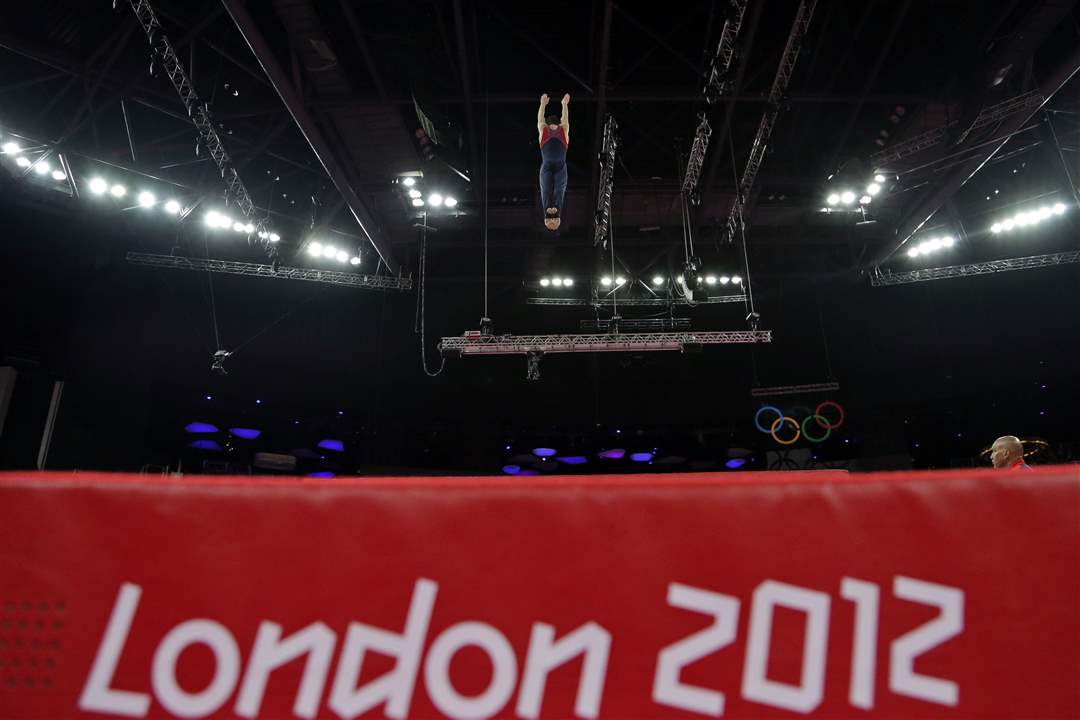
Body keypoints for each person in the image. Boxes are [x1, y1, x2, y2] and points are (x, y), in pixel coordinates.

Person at [537, 93, 570, 231]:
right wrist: (563, 104)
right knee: (551, 188)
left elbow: (542, 118)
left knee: (556, 189)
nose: (552, 128)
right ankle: (556, 213)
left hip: (552, 165)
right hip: (556, 166)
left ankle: (548, 214)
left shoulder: (560, 129)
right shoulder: (549, 129)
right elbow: (541, 119)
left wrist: (543, 104)